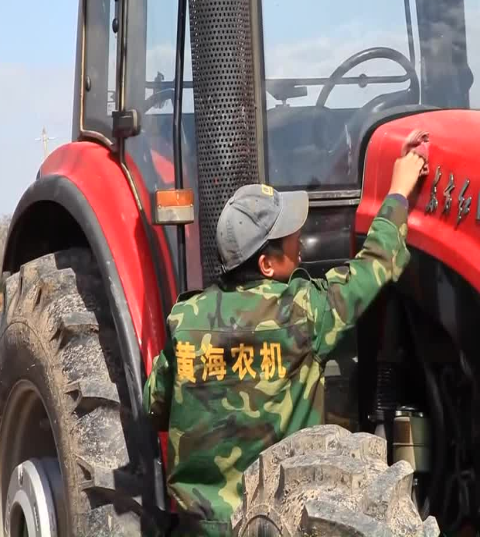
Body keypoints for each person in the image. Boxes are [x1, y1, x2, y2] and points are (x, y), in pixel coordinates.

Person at [143, 131, 430, 536]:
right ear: (266, 264)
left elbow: (154, 404)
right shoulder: (306, 311)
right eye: (291, 239)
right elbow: (376, 263)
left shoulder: (185, 319)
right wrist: (399, 191)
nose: (301, 246)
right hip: (280, 522)